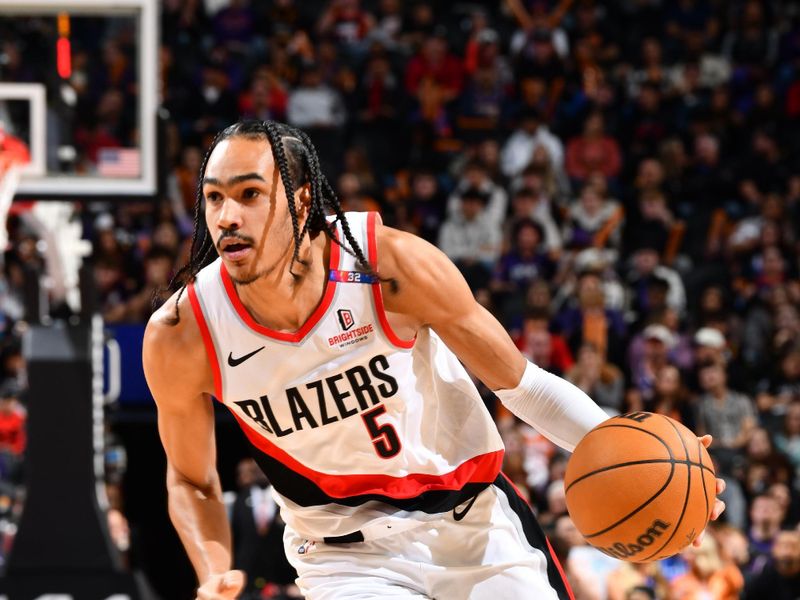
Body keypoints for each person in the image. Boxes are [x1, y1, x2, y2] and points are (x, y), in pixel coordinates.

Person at [142, 119, 725, 599]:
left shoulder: (386, 268)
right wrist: (212, 568)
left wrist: (638, 452)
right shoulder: (184, 332)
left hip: (473, 523)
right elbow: (192, 479)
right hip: (348, 556)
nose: (225, 217)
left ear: (299, 204)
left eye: (249, 194)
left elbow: (523, 386)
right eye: (214, 198)